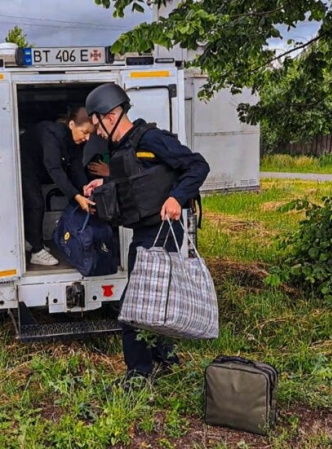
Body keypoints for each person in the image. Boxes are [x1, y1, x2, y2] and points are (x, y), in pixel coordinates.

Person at [82, 83, 210, 385]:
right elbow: (136, 180)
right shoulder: (123, 147)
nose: (96, 131)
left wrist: (177, 198)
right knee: (153, 298)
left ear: (111, 116)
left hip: (162, 231)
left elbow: (197, 165)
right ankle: (164, 356)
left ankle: (138, 374)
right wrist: (103, 185)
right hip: (144, 232)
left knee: (134, 305)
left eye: (97, 122)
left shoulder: (152, 138)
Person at [19, 106, 96, 266]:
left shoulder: (75, 142)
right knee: (36, 203)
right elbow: (54, 168)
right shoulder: (51, 134)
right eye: (85, 132)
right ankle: (36, 250)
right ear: (72, 125)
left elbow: (76, 168)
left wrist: (85, 189)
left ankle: (31, 239)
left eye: (90, 134)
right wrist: (76, 196)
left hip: (38, 168)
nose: (87, 138)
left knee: (37, 201)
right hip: (24, 164)